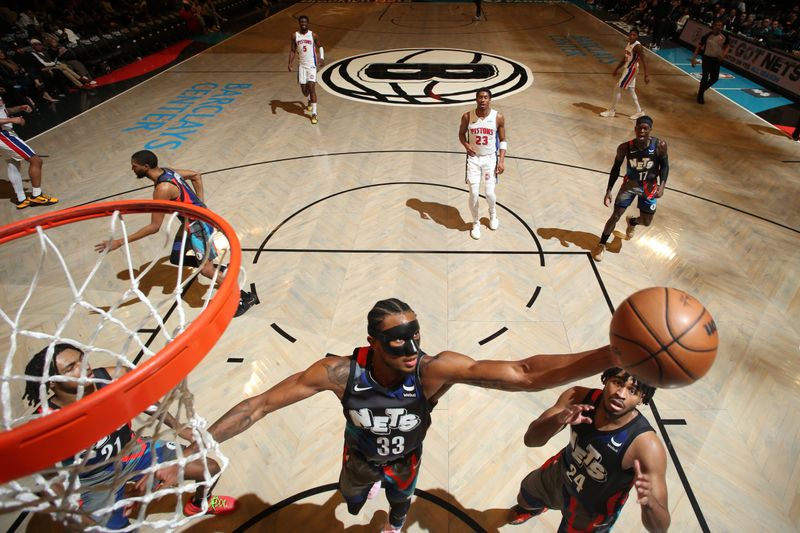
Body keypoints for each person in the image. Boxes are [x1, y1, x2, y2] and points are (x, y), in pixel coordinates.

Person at [163, 297, 619, 533]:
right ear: (373, 342)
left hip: (407, 460)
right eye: (398, 339)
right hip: (358, 457)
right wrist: (202, 439)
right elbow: (257, 405)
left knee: (400, 504)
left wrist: (610, 353)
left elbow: (524, 373)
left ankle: (395, 522)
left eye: (415, 336)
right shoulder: (338, 372)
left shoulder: (430, 371)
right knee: (352, 498)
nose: (411, 348)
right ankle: (359, 502)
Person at [22, 343, 237, 529]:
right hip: (94, 480)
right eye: (71, 368)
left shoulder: (112, 377)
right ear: (51, 382)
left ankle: (199, 504)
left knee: (210, 469)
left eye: (81, 359)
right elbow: (51, 478)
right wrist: (75, 512)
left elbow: (144, 400)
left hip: (133, 452)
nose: (83, 368)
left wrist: (179, 427)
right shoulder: (43, 425)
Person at [93, 150, 257, 317]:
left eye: (134, 166)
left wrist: (119, 242)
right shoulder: (167, 171)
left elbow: (154, 227)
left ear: (146, 166)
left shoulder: (162, 188)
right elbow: (196, 175)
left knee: (205, 270)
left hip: (197, 226)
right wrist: (200, 206)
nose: (132, 169)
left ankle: (243, 297)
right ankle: (221, 270)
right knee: (177, 257)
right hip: (190, 222)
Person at [508, 368, 670, 532]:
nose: (621, 394)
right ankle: (536, 508)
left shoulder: (647, 446)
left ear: (642, 397)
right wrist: (557, 420)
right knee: (524, 500)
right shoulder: (578, 397)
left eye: (632, 390)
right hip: (561, 473)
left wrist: (650, 504)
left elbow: (660, 529)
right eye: (617, 383)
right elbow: (531, 440)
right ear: (606, 379)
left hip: (592, 510)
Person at [593, 115, 668, 262]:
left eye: (645, 128)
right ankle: (602, 244)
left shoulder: (660, 145)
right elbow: (615, 168)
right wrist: (609, 190)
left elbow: (665, 166)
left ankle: (633, 222)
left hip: (650, 186)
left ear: (650, 130)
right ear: (635, 129)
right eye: (639, 128)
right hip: (630, 185)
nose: (641, 131)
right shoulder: (624, 147)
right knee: (615, 216)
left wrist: (663, 185)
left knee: (646, 222)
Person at [458, 88, 507, 240]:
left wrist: (501, 161)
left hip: (489, 159)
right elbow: (461, 134)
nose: (483, 100)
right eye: (480, 97)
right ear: (476, 99)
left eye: (485, 97)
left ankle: (493, 214)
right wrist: (466, 146)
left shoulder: (498, 117)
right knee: (473, 193)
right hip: (473, 159)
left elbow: (503, 140)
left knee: (489, 192)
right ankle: (475, 222)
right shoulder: (467, 116)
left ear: (489, 99)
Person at [0, 93, 58, 209]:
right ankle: (37, 196)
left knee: (13, 163)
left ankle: (21, 199)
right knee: (36, 161)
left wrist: (20, 108)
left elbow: (4, 110)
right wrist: (13, 120)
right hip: (3, 135)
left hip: (5, 134)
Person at [599, 29, 649, 120]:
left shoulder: (637, 46)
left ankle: (612, 111)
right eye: (630, 35)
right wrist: (617, 68)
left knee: (617, 87)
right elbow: (625, 58)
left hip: (631, 70)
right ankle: (639, 112)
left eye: (634, 35)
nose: (631, 36)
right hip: (628, 68)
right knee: (631, 90)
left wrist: (646, 75)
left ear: (637, 36)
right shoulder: (629, 43)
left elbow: (644, 60)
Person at [288, 15, 324, 125]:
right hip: (302, 66)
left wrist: (321, 58)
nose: (303, 23)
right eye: (301, 22)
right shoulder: (295, 36)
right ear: (299, 23)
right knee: (305, 91)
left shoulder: (313, 35)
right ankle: (308, 99)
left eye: (305, 22)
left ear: (308, 23)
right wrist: (289, 63)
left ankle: (314, 114)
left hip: (312, 66)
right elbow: (293, 50)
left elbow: (320, 46)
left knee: (312, 88)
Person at [691, 21, 730, 104]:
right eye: (717, 25)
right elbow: (699, 47)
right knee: (705, 77)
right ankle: (700, 96)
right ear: (713, 26)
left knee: (715, 78)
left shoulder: (724, 36)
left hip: (716, 60)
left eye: (720, 25)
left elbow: (727, 46)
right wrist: (694, 58)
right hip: (707, 58)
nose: (718, 27)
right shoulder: (707, 36)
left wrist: (723, 55)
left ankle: (701, 90)